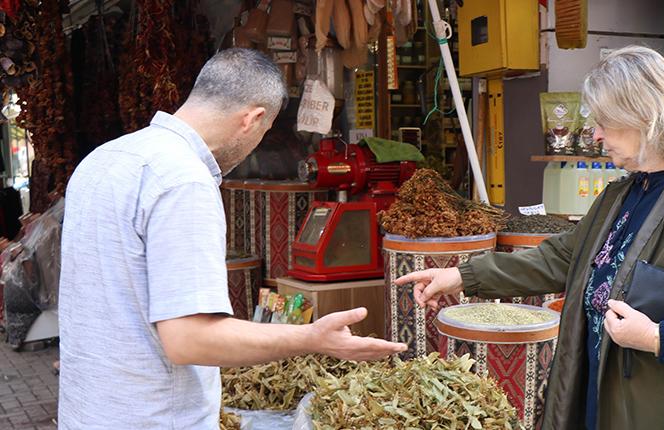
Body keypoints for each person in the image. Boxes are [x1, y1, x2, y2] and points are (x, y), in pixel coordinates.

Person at [396, 46, 664, 430]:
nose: (596, 135)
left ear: (643, 117)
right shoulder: (626, 191)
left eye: (604, 121)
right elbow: (562, 258)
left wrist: (659, 337)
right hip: (605, 404)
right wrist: (463, 276)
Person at [58, 48, 406, 429]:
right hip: (152, 418)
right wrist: (312, 337)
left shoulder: (102, 160)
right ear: (252, 119)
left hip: (87, 415)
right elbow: (189, 339)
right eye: (264, 131)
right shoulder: (183, 180)